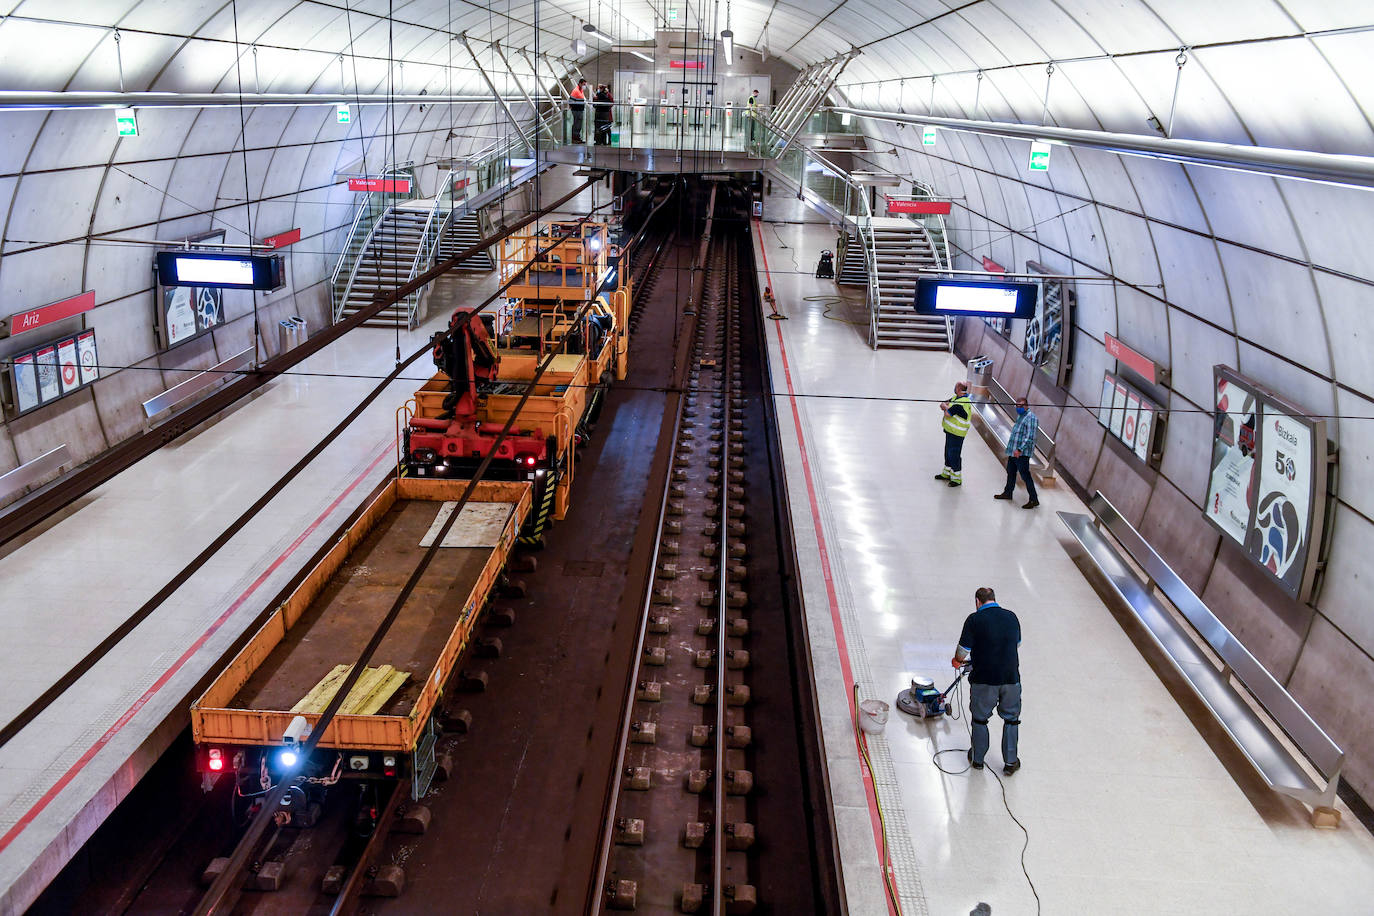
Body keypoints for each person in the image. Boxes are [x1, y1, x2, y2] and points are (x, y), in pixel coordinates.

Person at [952, 586, 1021, 775]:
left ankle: (978, 759)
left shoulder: (974, 620)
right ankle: (1010, 762)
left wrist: (957, 661)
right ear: (994, 599)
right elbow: (1017, 643)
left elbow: (962, 651)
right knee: (1012, 720)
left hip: (984, 679)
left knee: (980, 720)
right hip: (1011, 678)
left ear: (977, 602)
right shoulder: (1012, 617)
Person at [994, 396, 1039, 508]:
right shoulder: (1021, 416)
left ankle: (1034, 499)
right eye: (1017, 405)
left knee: (1025, 476)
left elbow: (1030, 437)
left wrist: (1020, 449)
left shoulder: (1031, 418)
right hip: (1013, 452)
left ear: (1026, 406)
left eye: (1020, 406)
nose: (1018, 408)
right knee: (1011, 472)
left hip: (1021, 454)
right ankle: (1008, 492)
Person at [935, 381, 972, 487]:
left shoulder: (961, 404)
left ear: (959, 390)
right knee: (947, 452)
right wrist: (947, 406)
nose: (954, 389)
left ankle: (956, 479)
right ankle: (946, 473)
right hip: (950, 431)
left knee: (954, 454)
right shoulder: (956, 398)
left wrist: (946, 407)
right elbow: (945, 403)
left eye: (956, 387)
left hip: (957, 434)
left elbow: (947, 413)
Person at [569, 79, 588, 143]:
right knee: (576, 124)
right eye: (584, 84)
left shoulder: (581, 90)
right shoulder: (575, 91)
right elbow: (570, 101)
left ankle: (578, 138)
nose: (584, 86)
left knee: (579, 125)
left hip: (580, 110)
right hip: (576, 111)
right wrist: (575, 108)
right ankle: (575, 138)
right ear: (580, 84)